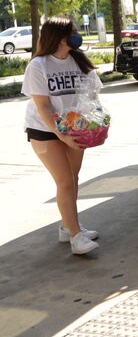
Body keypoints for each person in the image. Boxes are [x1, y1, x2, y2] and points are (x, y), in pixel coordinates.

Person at [22, 19, 101, 255]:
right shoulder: (38, 65)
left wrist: (95, 126)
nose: (77, 35)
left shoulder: (78, 60)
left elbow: (92, 98)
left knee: (73, 179)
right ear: (59, 36)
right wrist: (60, 134)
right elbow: (43, 106)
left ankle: (68, 226)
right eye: (73, 32)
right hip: (45, 130)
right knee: (65, 181)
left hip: (75, 127)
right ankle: (76, 237)